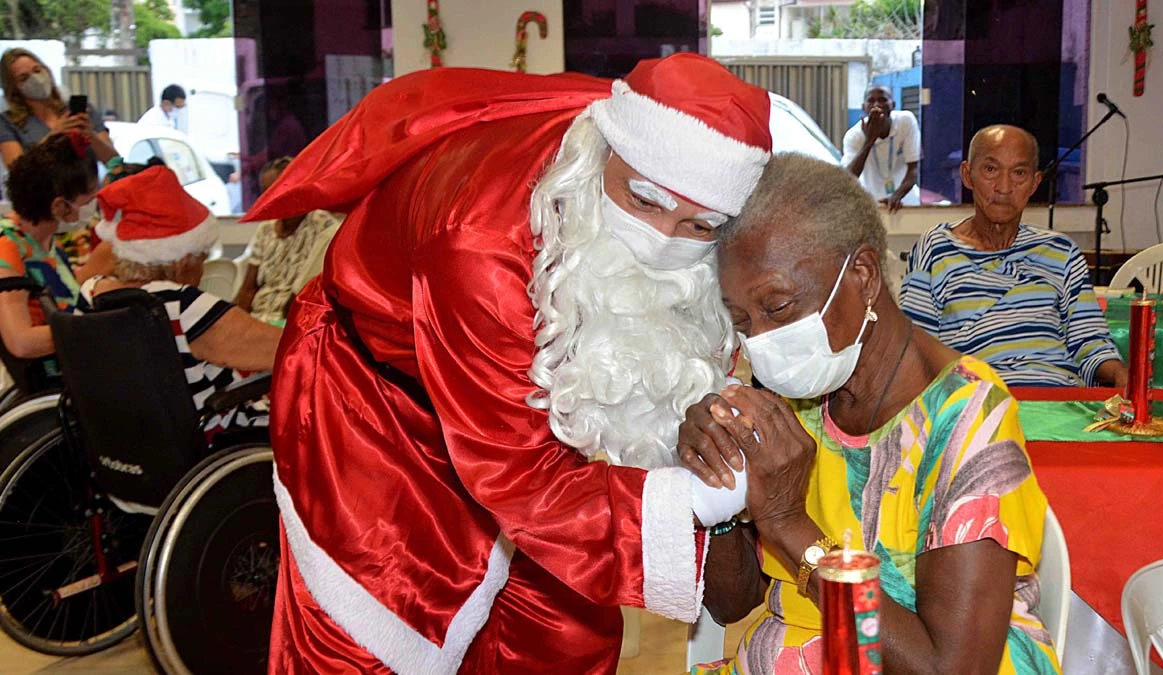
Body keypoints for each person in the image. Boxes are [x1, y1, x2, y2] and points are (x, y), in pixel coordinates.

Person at [241, 54, 772, 673]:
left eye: (698, 225)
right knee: (371, 639)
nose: (659, 243)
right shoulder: (479, 240)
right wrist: (686, 503)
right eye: (644, 201)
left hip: (536, 417)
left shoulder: (684, 237)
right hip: (375, 411)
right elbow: (517, 474)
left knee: (563, 635)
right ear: (602, 151)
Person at [679, 154, 1061, 675]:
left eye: (780, 306)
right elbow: (732, 602)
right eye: (742, 318)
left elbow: (947, 668)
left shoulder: (966, 416)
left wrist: (790, 525)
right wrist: (715, 488)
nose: (762, 342)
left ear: (861, 275)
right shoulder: (796, 394)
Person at [901, 125, 1127, 388]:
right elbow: (916, 347)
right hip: (974, 402)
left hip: (1058, 398)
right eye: (990, 169)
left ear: (1034, 183)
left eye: (1019, 173)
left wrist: (1122, 375)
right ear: (967, 175)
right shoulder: (936, 248)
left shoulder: (1061, 252)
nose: (1004, 187)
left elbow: (1090, 342)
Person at [87, 164, 280, 434]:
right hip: (215, 435)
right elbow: (285, 350)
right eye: (201, 260)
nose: (201, 272)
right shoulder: (182, 306)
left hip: (125, 436)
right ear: (182, 263)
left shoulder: (93, 294)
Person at [0, 133, 97, 362]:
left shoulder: (49, 242)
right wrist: (97, 328)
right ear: (59, 206)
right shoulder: (8, 247)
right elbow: (20, 341)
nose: (94, 205)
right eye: (87, 201)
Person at [234, 157, 340, 323]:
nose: (271, 200)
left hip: (292, 321)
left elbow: (303, 296)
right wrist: (237, 322)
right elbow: (248, 288)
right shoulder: (266, 229)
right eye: (266, 193)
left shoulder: (322, 228)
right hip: (257, 318)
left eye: (277, 192)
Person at [0, 48, 118, 168]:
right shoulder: (7, 123)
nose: (35, 79)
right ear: (14, 87)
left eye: (37, 70)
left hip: (87, 186)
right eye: (24, 78)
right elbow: (16, 170)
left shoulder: (82, 111)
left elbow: (114, 162)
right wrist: (54, 135)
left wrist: (90, 135)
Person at [842, 85, 920, 212]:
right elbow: (848, 177)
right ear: (863, 107)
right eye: (871, 100)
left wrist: (897, 196)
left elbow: (914, 169)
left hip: (904, 200)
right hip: (871, 203)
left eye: (883, 100)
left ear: (893, 104)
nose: (877, 105)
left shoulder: (906, 121)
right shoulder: (854, 136)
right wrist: (870, 139)